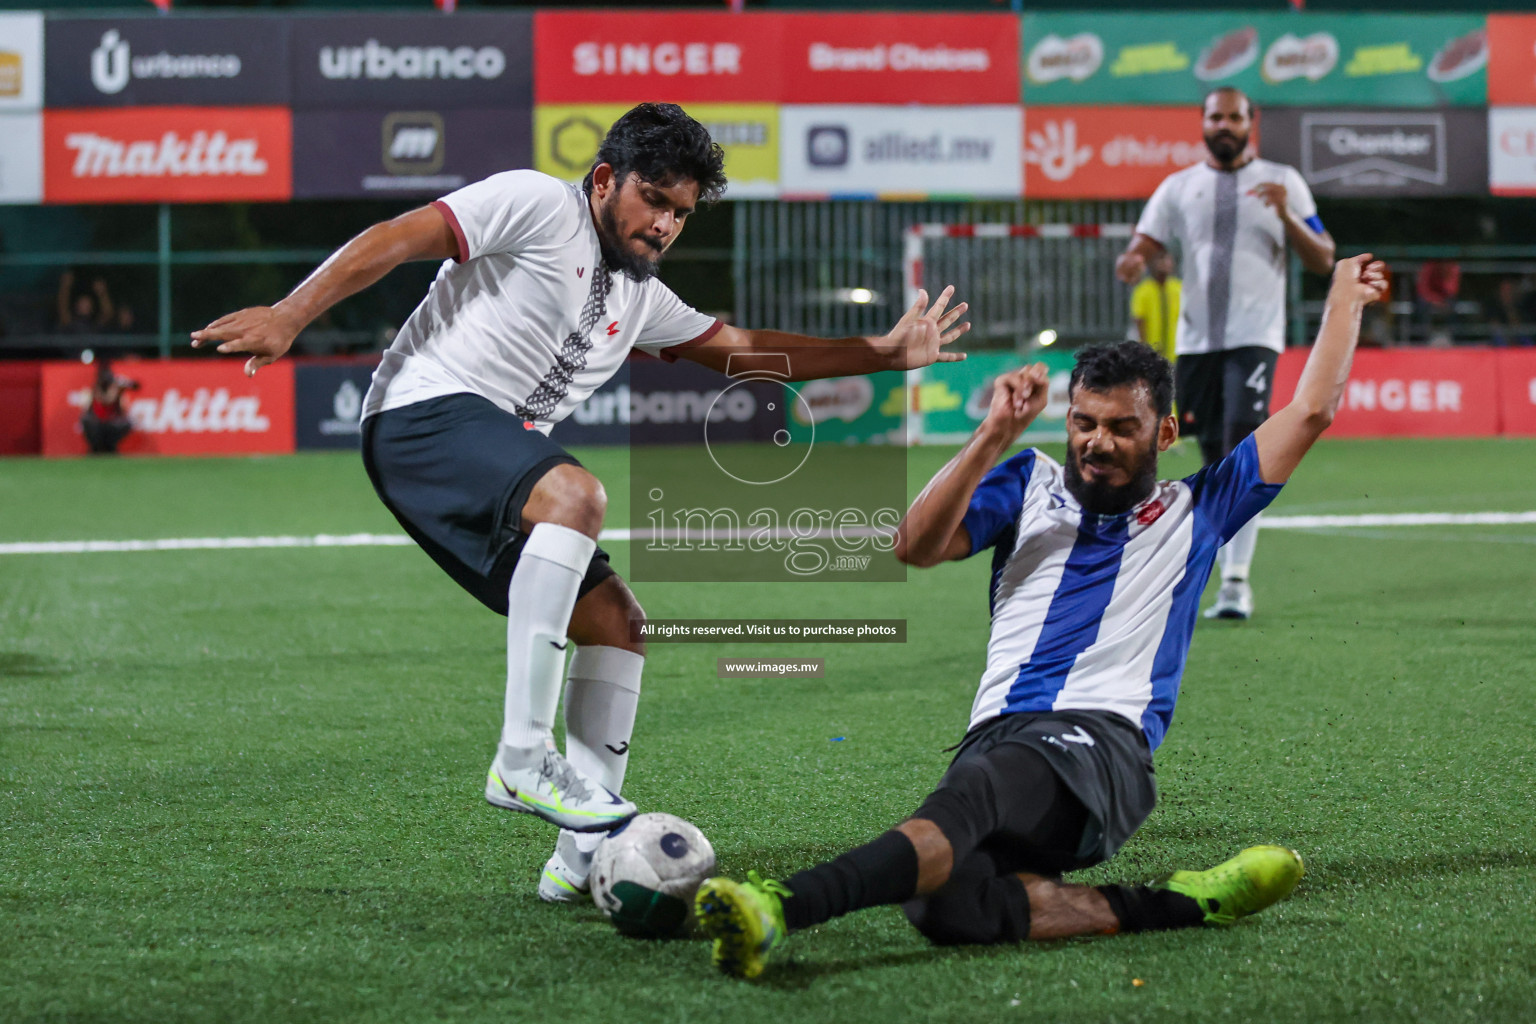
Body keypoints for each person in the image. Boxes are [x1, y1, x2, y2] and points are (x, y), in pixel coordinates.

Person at [189, 104, 970, 901]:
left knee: (618, 624)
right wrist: (291, 313)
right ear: (605, 180)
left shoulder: (641, 299)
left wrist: (883, 351)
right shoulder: (535, 203)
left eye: (680, 213)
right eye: (654, 200)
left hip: (483, 449)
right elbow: (399, 235)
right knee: (576, 493)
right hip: (420, 414)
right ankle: (523, 757)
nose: (665, 224)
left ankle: (581, 862)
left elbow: (743, 354)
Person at [694, 254, 1388, 980]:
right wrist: (993, 433)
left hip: (1102, 747)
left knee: (977, 797)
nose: (1097, 443)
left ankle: (782, 905)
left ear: (1166, 431)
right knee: (951, 908)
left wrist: (1342, 295)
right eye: (1084, 423)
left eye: (1123, 428)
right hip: (997, 736)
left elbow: (1309, 410)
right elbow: (916, 545)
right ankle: (1182, 903)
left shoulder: (1202, 507)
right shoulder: (1028, 480)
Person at [1115, 86, 1335, 620]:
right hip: (1195, 345)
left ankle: (1236, 581)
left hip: (1254, 337)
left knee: (1242, 441)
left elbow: (1324, 257)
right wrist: (1134, 258)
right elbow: (1147, 239)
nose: (1226, 125)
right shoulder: (1179, 186)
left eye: (1235, 117)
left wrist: (1286, 216)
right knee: (1212, 454)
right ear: (1204, 122)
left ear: (1250, 123)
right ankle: (1200, 568)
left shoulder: (1283, 182)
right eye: (1217, 116)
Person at [1129, 249, 1180, 365]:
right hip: (1151, 354)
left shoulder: (1178, 288)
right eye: (1160, 259)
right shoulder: (1142, 290)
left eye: (1167, 259)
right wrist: (1143, 350)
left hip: (1177, 353)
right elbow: (1139, 321)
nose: (1164, 263)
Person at [79, 359, 137, 454]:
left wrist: (117, 391)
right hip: (97, 423)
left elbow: (124, 409)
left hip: (112, 423)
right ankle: (96, 447)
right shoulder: (93, 391)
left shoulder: (117, 391)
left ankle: (111, 446)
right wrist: (97, 393)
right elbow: (85, 411)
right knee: (87, 421)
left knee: (127, 423)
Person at [1414, 260, 1460, 346]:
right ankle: (1425, 339)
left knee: (1453, 305)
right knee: (1421, 305)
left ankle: (1450, 337)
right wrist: (1434, 300)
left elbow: (1452, 290)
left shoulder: (1453, 267)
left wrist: (1444, 274)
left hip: (1445, 300)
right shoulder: (1429, 266)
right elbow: (1423, 289)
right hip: (1429, 300)